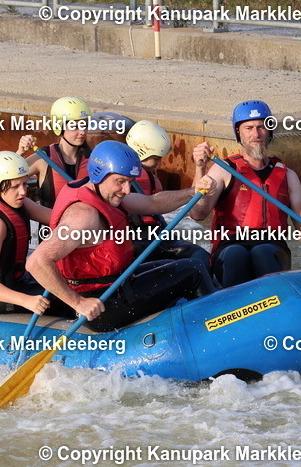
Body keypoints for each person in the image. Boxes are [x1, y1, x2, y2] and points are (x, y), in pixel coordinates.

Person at [26, 140, 216, 332]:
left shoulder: (101, 192)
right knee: (194, 270)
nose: (126, 190)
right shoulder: (83, 216)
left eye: (130, 182)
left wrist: (193, 191)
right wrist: (78, 303)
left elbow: (153, 203)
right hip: (103, 307)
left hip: (115, 283)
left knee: (174, 262)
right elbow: (37, 262)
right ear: (99, 174)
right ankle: (215, 327)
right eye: (120, 181)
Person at [190, 100, 301, 288]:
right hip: (230, 245)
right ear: (238, 132)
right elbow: (197, 214)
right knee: (236, 254)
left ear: (269, 130)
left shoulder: (288, 175)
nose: (256, 134)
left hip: (272, 246)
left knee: (263, 252)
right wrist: (200, 168)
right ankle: (232, 306)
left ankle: (272, 301)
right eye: (249, 128)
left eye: (261, 127)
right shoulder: (223, 170)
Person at [0, 151, 64, 315]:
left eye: (25, 184)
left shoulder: (17, 201)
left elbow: (55, 218)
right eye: (15, 186)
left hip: (17, 281)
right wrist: (27, 301)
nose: (23, 192)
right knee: (65, 300)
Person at [124, 120, 211, 265]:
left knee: (200, 255)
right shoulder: (121, 180)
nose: (160, 163)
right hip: (135, 240)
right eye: (156, 159)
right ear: (141, 152)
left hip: (155, 235)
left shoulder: (154, 180)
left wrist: (199, 168)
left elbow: (159, 205)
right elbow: (153, 203)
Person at [17, 97, 93, 209]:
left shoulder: (94, 158)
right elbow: (9, 180)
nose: (82, 132)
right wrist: (20, 152)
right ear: (59, 126)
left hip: (87, 223)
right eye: (74, 126)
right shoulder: (42, 159)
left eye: (84, 125)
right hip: (52, 223)